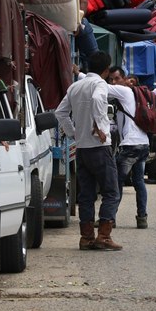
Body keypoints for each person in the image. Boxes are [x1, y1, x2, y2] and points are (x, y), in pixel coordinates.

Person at [54, 51, 122, 251]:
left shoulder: (75, 86)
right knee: (111, 192)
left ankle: (86, 238)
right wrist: (100, 125)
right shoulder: (99, 84)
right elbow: (98, 99)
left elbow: (60, 112)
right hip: (100, 147)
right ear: (106, 70)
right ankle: (104, 236)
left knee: (86, 194)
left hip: (82, 148)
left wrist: (73, 132)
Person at [107, 67, 151, 228]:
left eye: (116, 78)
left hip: (131, 146)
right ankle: (142, 218)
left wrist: (79, 74)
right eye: (111, 79)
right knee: (139, 181)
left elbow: (101, 86)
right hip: (143, 144)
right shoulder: (129, 98)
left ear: (125, 80)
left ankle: (109, 219)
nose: (113, 82)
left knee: (116, 182)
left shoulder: (124, 92)